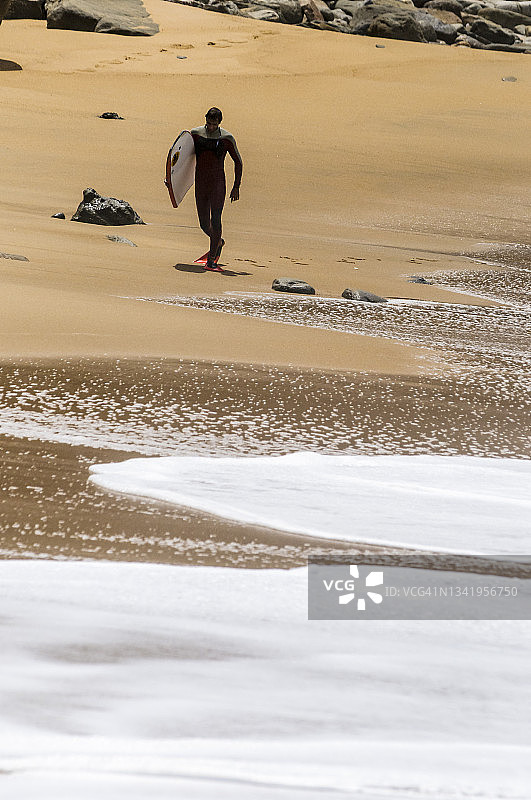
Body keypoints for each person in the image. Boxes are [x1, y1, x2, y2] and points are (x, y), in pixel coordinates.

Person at [190, 108, 243, 271]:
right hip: (201, 183)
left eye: (214, 124)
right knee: (204, 224)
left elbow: (238, 162)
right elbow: (181, 157)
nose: (211, 127)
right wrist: (171, 180)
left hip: (217, 184)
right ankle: (218, 242)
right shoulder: (195, 134)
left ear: (219, 123)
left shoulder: (226, 138)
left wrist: (236, 186)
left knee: (216, 219)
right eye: (209, 123)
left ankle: (212, 260)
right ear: (205, 120)